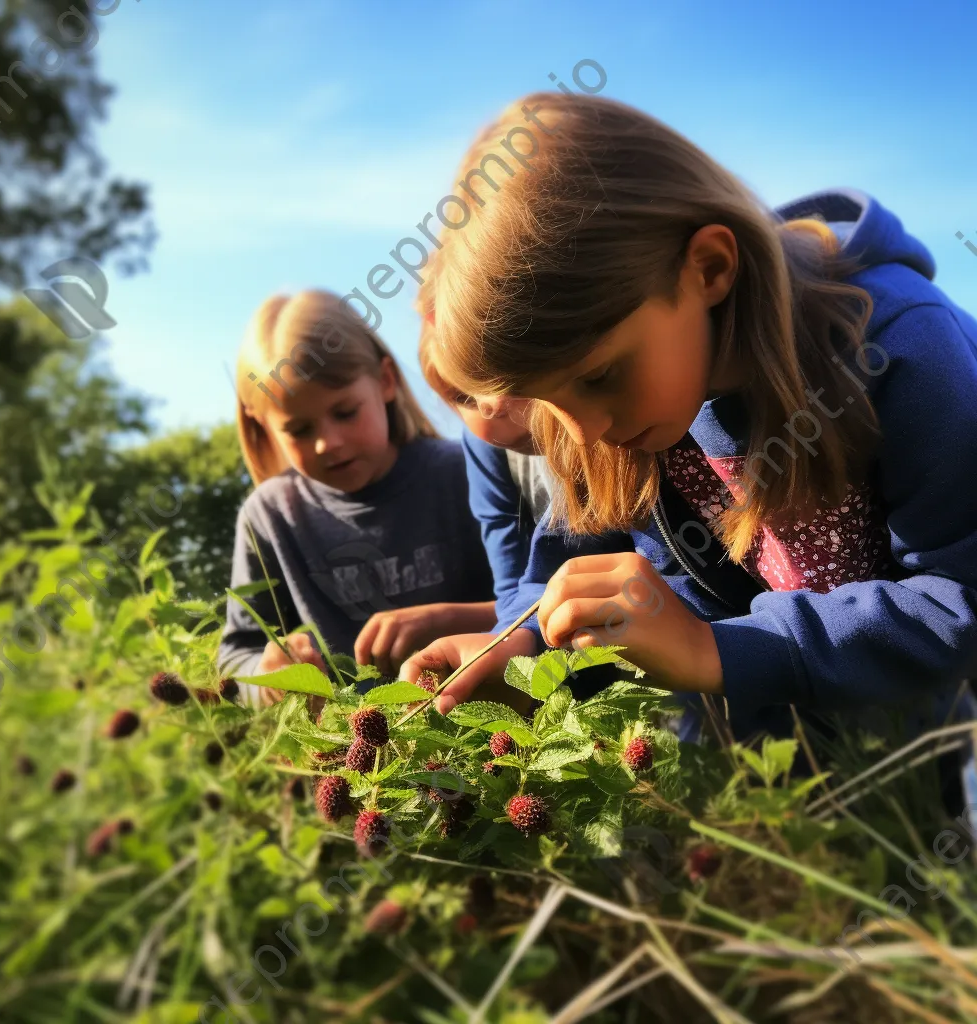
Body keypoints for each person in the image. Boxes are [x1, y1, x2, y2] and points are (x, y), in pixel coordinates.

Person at [402, 91, 977, 775]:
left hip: (938, 761)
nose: (582, 430)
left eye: (598, 375)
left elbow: (958, 597)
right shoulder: (611, 411)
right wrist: (521, 648)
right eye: (543, 400)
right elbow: (575, 571)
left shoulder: (901, 346)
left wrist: (712, 650)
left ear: (708, 267)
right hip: (778, 775)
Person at [217, 289, 495, 705]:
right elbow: (236, 656)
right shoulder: (270, 517)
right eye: (299, 430)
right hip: (350, 759)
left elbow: (535, 601)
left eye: (345, 412)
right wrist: (268, 674)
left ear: (385, 381)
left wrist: (450, 620)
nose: (328, 443)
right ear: (262, 423)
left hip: (482, 739)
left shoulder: (464, 473)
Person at [417, 280, 553, 631]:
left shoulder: (601, 423)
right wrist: (506, 645)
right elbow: (512, 584)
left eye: (502, 375)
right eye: (464, 396)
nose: (490, 405)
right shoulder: (486, 449)